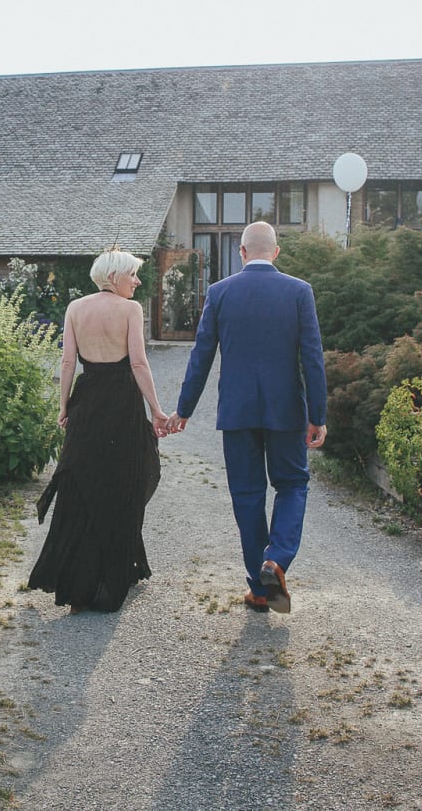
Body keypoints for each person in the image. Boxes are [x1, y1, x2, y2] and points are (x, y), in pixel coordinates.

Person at [167, 221, 327, 614]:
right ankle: (277, 559)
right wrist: (318, 415)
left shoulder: (220, 293)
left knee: (248, 494)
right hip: (287, 409)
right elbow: (312, 358)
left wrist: (183, 409)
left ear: (241, 253)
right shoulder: (299, 291)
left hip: (237, 411)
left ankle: (259, 588)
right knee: (292, 484)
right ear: (276, 252)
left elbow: (201, 355)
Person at [28, 248, 169, 613]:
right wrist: (156, 409)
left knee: (83, 487)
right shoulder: (130, 310)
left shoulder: (76, 308)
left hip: (87, 403)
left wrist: (63, 407)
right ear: (115, 276)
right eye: (133, 275)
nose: (137, 281)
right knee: (122, 484)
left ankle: (78, 582)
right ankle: (111, 578)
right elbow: (137, 362)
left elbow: (68, 361)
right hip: (122, 405)